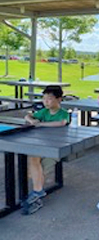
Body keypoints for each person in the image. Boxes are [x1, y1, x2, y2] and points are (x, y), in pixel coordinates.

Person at [23, 85, 69, 215]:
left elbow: (61, 123)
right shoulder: (44, 112)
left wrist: (41, 124)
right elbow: (28, 116)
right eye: (44, 99)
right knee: (33, 157)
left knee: (36, 172)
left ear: (59, 99)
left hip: (56, 149)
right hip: (42, 146)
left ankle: (37, 193)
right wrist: (32, 120)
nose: (46, 102)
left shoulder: (63, 113)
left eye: (49, 99)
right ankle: (38, 192)